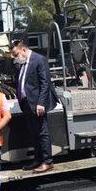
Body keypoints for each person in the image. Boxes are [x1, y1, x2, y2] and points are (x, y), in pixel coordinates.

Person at [11, 39, 58, 173]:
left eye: (16, 54)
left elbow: (45, 83)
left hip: (37, 104)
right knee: (34, 133)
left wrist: (41, 103)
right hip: (26, 103)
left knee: (42, 132)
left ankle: (48, 162)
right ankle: (38, 160)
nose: (15, 58)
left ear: (24, 50)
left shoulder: (39, 60)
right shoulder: (23, 62)